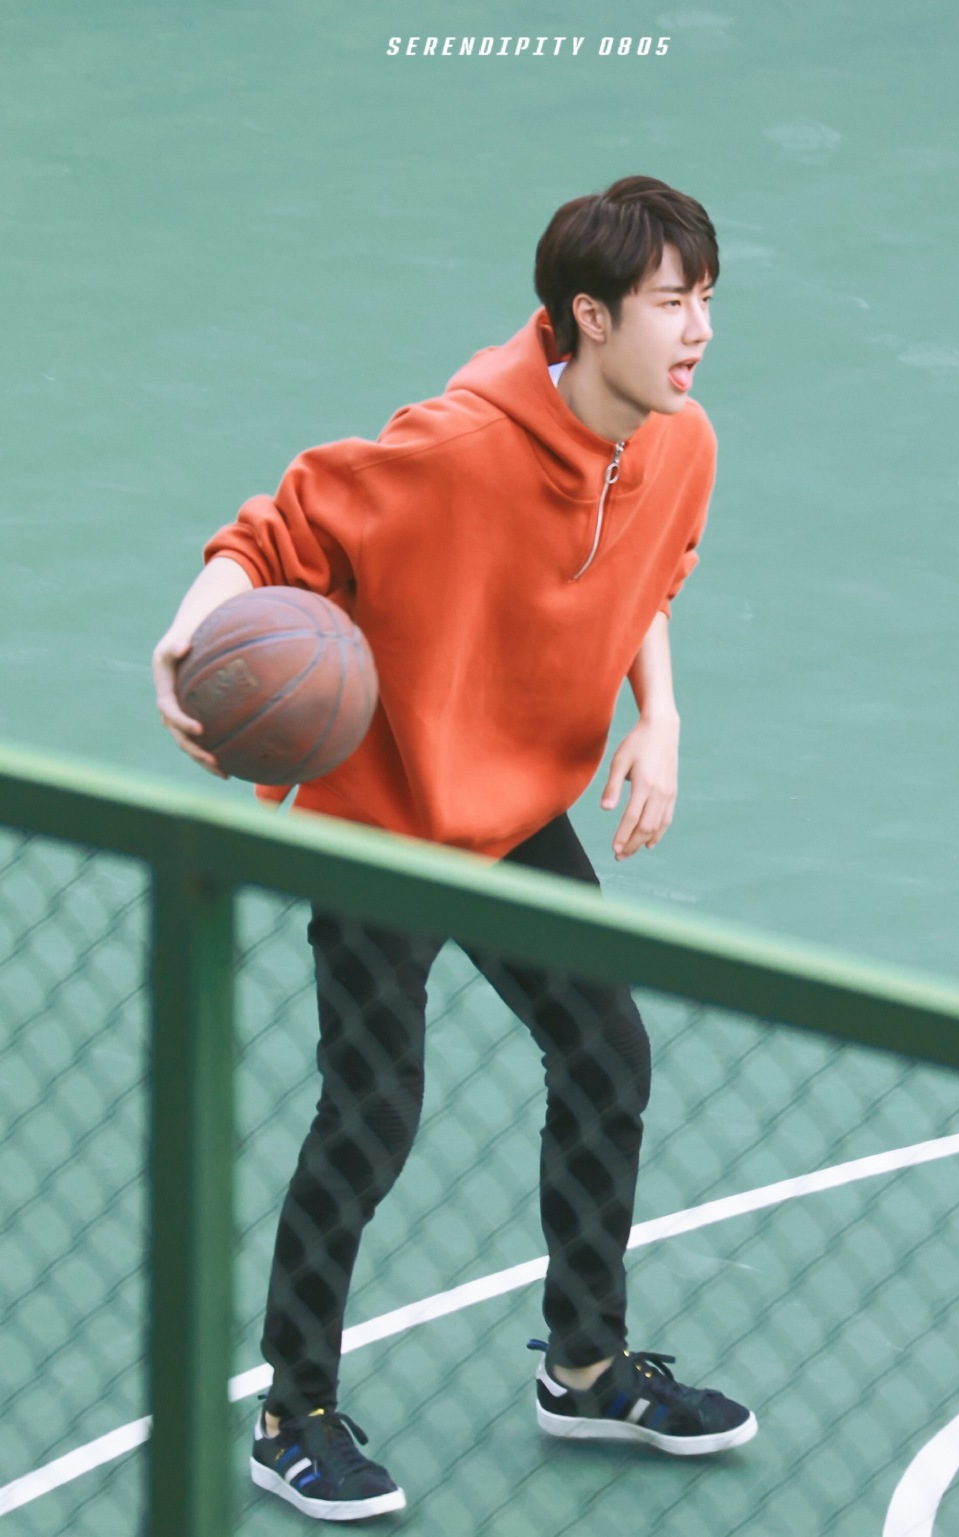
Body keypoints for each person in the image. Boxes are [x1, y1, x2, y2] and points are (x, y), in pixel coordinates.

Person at [152, 175, 757, 1523]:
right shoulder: (456, 450)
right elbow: (276, 528)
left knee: (606, 1055)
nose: (700, 328)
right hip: (386, 821)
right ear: (590, 316)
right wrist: (192, 632)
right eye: (673, 302)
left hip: (515, 804)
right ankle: (292, 1412)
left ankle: (584, 1367)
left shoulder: (680, 439)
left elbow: (647, 574)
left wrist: (661, 715)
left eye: (708, 298)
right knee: (374, 1112)